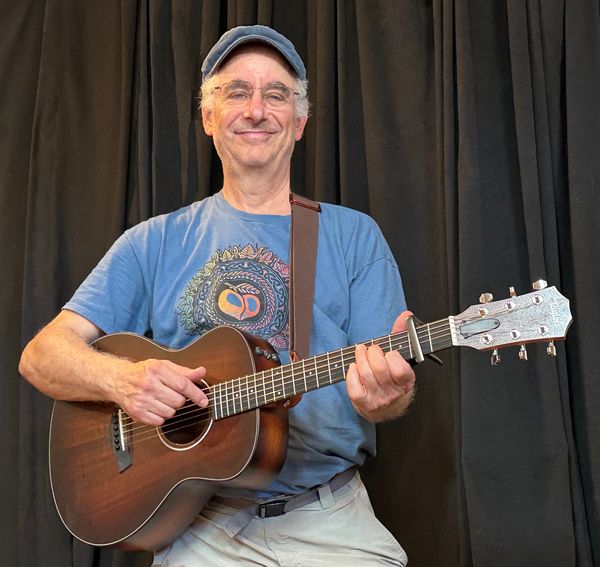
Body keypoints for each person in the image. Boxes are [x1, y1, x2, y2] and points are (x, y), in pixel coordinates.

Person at [19, 25, 415, 566]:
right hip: (198, 529)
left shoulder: (353, 237)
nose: (256, 110)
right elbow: (41, 356)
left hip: (328, 518)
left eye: (276, 94)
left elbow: (387, 389)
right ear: (208, 117)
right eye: (236, 92)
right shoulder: (154, 242)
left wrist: (386, 396)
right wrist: (123, 381)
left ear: (300, 122)